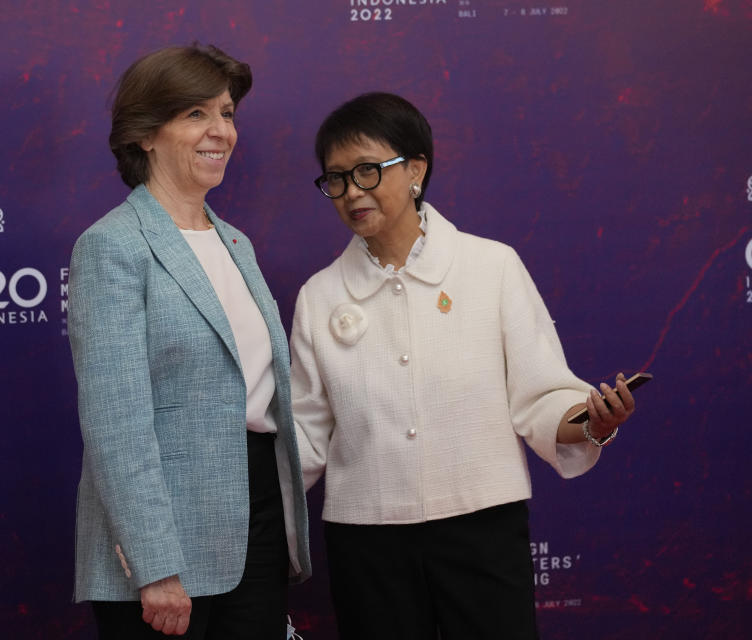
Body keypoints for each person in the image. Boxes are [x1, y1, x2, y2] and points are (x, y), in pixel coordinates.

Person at [290, 92, 637, 639]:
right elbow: (306, 435)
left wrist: (594, 420)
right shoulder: (319, 296)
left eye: (366, 171)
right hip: (367, 542)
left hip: (483, 530)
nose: (351, 191)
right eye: (335, 179)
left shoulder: (491, 267)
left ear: (415, 170)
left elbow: (541, 396)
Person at [68, 44, 311, 639]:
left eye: (226, 113)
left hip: (256, 520)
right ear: (146, 134)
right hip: (163, 545)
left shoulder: (236, 244)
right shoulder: (113, 246)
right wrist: (154, 565)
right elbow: (116, 422)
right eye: (196, 114)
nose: (221, 131)